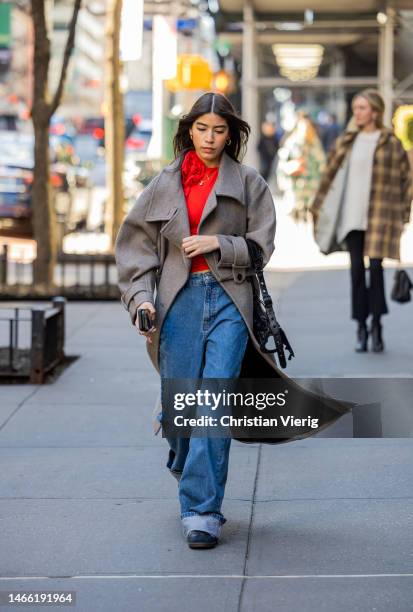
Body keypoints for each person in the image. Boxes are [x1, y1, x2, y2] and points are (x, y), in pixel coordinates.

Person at [114, 92, 277, 550]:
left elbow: (262, 247)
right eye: (202, 129)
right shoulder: (162, 185)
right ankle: (184, 453)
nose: (210, 138)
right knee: (185, 408)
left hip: (229, 299)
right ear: (188, 131)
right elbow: (135, 252)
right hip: (176, 303)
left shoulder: (249, 183)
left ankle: (202, 511)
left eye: (219, 130)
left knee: (214, 401)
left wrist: (217, 244)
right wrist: (141, 300)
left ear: (232, 134)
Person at [311, 89, 412, 353]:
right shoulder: (346, 141)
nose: (357, 113)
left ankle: (377, 325)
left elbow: (406, 180)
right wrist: (317, 206)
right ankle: (361, 327)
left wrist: (403, 214)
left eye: (362, 108)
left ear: (375, 112)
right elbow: (329, 177)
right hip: (350, 219)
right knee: (356, 273)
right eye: (355, 108)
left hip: (380, 217)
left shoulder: (390, 142)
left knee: (376, 271)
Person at [278, 113, 326, 222]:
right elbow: (282, 165)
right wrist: (283, 182)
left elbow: (322, 165)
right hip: (295, 188)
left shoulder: (315, 144)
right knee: (294, 221)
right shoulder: (291, 143)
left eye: (307, 125)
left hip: (311, 189)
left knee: (311, 220)